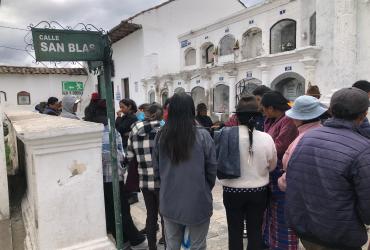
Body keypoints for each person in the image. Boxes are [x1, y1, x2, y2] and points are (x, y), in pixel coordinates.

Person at [286, 87, 370, 250]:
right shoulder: (363, 149)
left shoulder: (307, 137)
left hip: (306, 229)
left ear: (330, 110)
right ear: (363, 115)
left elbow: (293, 181)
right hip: (339, 236)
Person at [152, 93, 217, 250]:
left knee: (172, 245)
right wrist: (203, 187)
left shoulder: (161, 135)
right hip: (197, 200)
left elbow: (156, 169)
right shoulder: (203, 135)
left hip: (169, 200)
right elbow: (211, 169)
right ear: (191, 110)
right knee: (197, 245)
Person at [215, 95, 277, 250]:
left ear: (237, 116)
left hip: (232, 192)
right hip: (258, 192)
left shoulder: (225, 136)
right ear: (257, 117)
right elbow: (272, 166)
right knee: (255, 231)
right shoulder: (266, 138)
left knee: (234, 231)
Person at [85, 99, 148, 250]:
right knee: (121, 210)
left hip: (100, 178)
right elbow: (117, 156)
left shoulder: (92, 129)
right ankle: (134, 240)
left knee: (111, 210)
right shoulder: (109, 130)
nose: (119, 110)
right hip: (112, 177)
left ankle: (124, 239)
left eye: (122, 107)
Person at [260, 91, 299, 249]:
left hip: (281, 172)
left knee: (282, 215)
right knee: (271, 212)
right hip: (271, 171)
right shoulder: (272, 120)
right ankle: (271, 241)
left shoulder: (287, 121)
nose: (262, 112)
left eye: (264, 108)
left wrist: (261, 152)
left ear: (271, 107)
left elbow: (279, 146)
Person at [127, 103, 164, 250]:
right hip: (162, 181)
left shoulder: (134, 130)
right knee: (165, 216)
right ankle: (166, 243)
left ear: (147, 114)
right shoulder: (163, 129)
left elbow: (129, 156)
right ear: (156, 115)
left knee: (151, 215)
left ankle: (152, 247)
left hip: (144, 180)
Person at [277, 95, 327, 191]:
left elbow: (292, 170)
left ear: (299, 118)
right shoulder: (324, 131)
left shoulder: (301, 140)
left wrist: (281, 182)